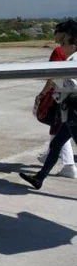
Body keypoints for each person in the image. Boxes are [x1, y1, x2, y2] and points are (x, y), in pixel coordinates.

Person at [20, 29, 77, 189]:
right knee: (56, 144)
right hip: (70, 114)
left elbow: (69, 84)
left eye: (64, 43)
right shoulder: (70, 59)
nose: (61, 46)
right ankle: (39, 178)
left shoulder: (73, 62)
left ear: (73, 46)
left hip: (74, 113)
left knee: (57, 144)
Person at [35, 20, 76, 178]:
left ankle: (69, 165)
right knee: (57, 136)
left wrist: (43, 93)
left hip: (65, 101)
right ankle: (42, 172)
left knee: (59, 130)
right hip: (66, 100)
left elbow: (53, 77)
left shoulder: (61, 52)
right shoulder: (67, 52)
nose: (54, 35)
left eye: (57, 31)